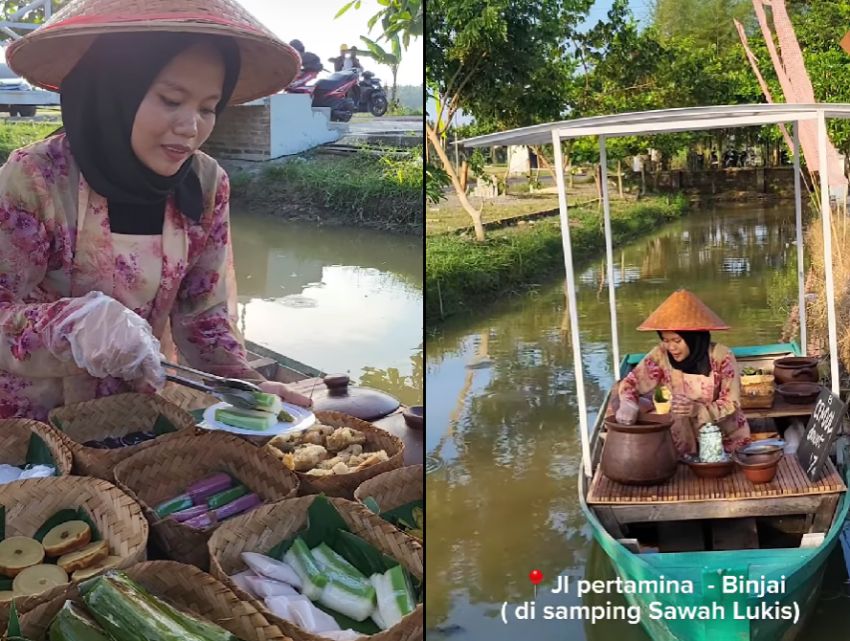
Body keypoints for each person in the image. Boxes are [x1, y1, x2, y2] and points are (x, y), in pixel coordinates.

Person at [0, 0, 310, 420]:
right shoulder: (35, 179)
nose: (191, 127)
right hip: (32, 427)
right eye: (170, 99)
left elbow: (203, 313)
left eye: (207, 107)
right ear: (114, 90)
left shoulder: (205, 184)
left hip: (139, 415)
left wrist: (245, 385)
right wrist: (70, 325)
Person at [612, 289, 750, 455]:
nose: (671, 347)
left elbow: (731, 402)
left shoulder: (722, 356)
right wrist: (628, 403)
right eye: (666, 340)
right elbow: (630, 383)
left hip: (725, 439)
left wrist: (698, 410)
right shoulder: (662, 355)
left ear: (693, 338)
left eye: (677, 341)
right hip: (682, 438)